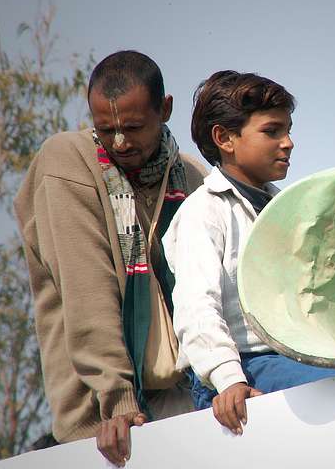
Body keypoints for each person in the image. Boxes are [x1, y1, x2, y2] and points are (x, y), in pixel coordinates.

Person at [14, 50, 207, 467]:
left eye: (134, 127)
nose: (119, 142)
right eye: (107, 129)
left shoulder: (191, 176)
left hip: (190, 405)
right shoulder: (67, 162)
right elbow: (88, 287)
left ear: (166, 109)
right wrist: (117, 400)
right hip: (106, 424)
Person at [162, 70, 335, 436]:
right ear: (224, 138)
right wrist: (227, 378)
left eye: (289, 129)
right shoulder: (203, 212)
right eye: (272, 131)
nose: (289, 142)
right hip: (246, 364)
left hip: (295, 357)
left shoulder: (285, 209)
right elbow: (196, 306)